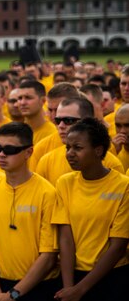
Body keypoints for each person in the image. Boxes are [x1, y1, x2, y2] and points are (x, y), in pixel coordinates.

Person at [51, 118, 129, 300]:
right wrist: (69, 287)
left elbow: (118, 246)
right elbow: (65, 237)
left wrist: (80, 290)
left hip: (113, 277)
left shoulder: (123, 186)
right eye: (67, 148)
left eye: (77, 148)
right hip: (73, 277)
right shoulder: (65, 183)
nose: (70, 153)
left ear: (98, 150)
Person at [0, 122, 59, 301]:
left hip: (39, 286)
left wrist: (13, 294)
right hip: (0, 287)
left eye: (9, 149)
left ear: (28, 152)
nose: (1, 154)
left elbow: (48, 255)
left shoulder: (47, 193)